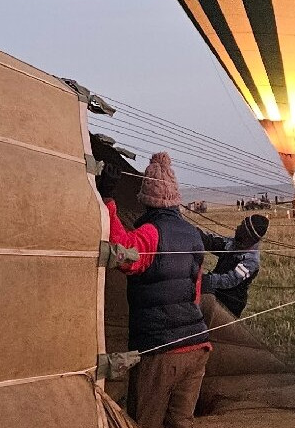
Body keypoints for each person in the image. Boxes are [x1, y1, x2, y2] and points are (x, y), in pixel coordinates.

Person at [103, 151, 211, 428]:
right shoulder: (193, 234)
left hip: (161, 350)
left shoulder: (151, 233)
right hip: (197, 345)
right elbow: (195, 292)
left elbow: (122, 253)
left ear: (146, 201)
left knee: (146, 420)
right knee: (180, 422)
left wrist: (108, 200)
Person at [197, 214, 269, 316]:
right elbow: (213, 242)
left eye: (242, 226)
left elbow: (229, 280)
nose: (237, 228)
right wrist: (195, 233)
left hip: (230, 305)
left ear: (247, 235)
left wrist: (205, 279)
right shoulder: (234, 244)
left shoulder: (251, 261)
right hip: (216, 294)